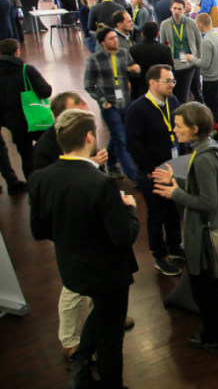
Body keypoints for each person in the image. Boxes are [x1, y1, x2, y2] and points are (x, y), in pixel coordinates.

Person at [29, 108, 139, 389]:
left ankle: (80, 360)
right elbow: (123, 237)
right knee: (111, 335)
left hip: (72, 268)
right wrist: (130, 210)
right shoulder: (101, 183)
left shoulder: (39, 179)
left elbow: (38, 230)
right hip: (108, 274)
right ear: (90, 137)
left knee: (100, 312)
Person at [151, 102, 218, 351]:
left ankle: (217, 337)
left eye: (179, 126)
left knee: (208, 292)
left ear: (194, 129)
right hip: (216, 231)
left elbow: (207, 202)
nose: (174, 130)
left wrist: (175, 193)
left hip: (206, 238)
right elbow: (206, 184)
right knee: (217, 291)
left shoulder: (202, 159)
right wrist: (177, 180)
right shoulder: (211, 148)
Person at [125, 64, 184, 277]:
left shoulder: (173, 101)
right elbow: (132, 143)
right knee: (157, 215)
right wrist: (149, 169)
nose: (172, 85)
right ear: (152, 82)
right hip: (152, 173)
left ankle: (175, 246)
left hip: (174, 169)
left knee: (174, 211)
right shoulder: (137, 109)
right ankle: (160, 255)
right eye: (167, 81)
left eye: (173, 80)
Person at [84, 28, 141, 183]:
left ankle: (110, 164)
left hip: (125, 102)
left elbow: (132, 71)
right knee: (121, 139)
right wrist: (103, 101)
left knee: (118, 135)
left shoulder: (123, 53)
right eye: (111, 38)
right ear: (102, 42)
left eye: (115, 37)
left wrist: (135, 70)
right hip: (110, 105)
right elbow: (88, 85)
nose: (115, 40)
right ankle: (133, 176)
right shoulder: (94, 60)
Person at [0, 38, 52, 180]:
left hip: (14, 123)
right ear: (17, 52)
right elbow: (46, 91)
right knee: (49, 149)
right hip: (37, 119)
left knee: (26, 157)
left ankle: (32, 185)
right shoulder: (26, 70)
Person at [185, 13, 218, 129]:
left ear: (200, 24)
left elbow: (204, 64)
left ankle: (216, 133)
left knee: (212, 110)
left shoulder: (206, 41)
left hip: (211, 81)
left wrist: (191, 58)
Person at [129, 21, 175, 99]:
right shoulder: (165, 49)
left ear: (142, 33)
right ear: (158, 33)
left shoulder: (133, 49)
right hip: (159, 86)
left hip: (139, 87)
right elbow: (170, 69)